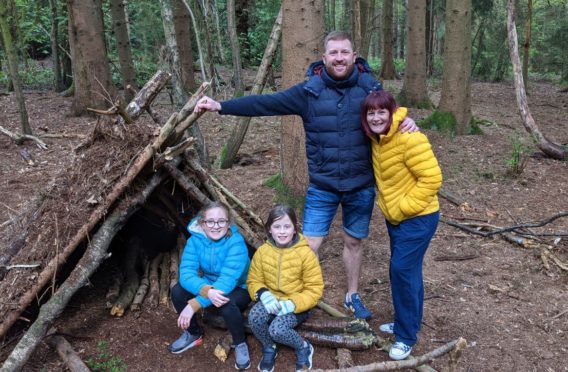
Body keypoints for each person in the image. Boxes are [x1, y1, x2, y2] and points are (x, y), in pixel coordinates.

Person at [194, 31, 418, 320]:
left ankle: (352, 295)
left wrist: (406, 119)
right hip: (323, 186)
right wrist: (221, 106)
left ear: (353, 55)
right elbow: (267, 103)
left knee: (354, 242)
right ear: (323, 58)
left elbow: (389, 115)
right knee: (308, 244)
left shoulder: (369, 87)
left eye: (344, 52)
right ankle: (297, 296)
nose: (339, 58)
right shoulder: (309, 92)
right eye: (333, 53)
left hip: (361, 185)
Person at [361, 90, 442, 360]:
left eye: (381, 111)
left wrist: (403, 207)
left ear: (392, 112)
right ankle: (408, 322)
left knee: (401, 270)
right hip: (396, 220)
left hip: (417, 218)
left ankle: (406, 337)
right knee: (408, 272)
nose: (375, 117)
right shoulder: (378, 139)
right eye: (370, 113)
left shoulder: (410, 137)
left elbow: (432, 179)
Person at [169, 201, 252, 370]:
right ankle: (194, 333)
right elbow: (186, 273)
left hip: (239, 287)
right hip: (210, 284)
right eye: (210, 221)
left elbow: (228, 281)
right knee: (177, 291)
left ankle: (240, 342)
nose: (216, 226)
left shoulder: (236, 242)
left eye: (221, 221)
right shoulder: (195, 241)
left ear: (228, 223)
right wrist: (207, 291)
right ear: (202, 223)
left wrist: (195, 304)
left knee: (225, 302)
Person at [246, 204, 324, 372]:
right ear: (269, 230)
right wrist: (263, 294)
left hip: (297, 304)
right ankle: (270, 347)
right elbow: (253, 280)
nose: (282, 231)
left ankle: (303, 347)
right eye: (277, 226)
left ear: (295, 229)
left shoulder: (305, 254)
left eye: (287, 226)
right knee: (254, 317)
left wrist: (293, 304)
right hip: (272, 299)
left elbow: (314, 289)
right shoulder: (262, 252)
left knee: (277, 329)